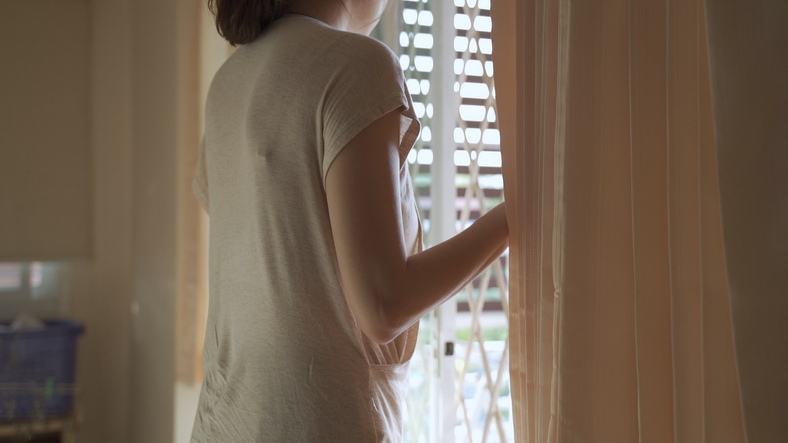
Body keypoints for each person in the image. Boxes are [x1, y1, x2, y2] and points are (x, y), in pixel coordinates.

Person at [190, 0, 509, 441]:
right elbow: (383, 305)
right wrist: (514, 216)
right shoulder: (356, 65)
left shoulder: (227, 82)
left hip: (226, 423)